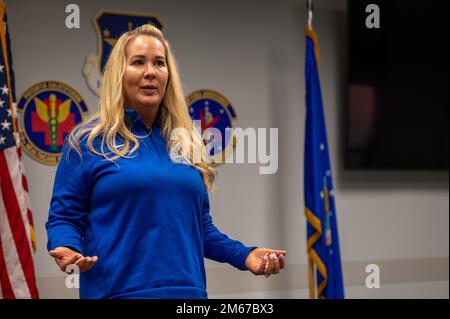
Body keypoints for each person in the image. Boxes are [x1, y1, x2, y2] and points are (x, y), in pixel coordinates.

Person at [46, 24, 287, 299]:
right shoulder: (88, 142)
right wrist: (67, 247)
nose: (150, 72)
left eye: (159, 63)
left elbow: (200, 227)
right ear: (119, 75)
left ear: (168, 75)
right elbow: (64, 217)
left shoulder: (186, 143)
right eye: (138, 62)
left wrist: (245, 255)